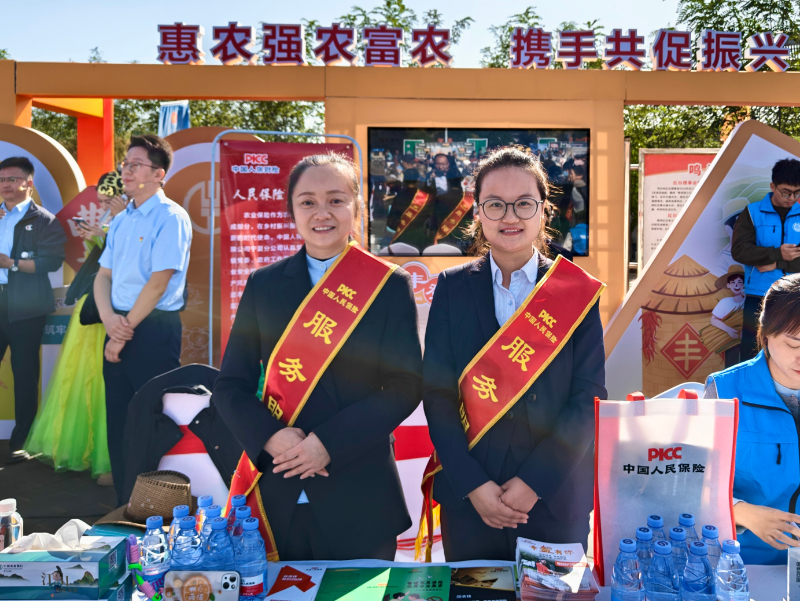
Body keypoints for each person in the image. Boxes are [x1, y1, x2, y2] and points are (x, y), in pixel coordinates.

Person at [214, 153, 422, 560]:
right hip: (279, 487)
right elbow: (230, 386)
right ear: (291, 211)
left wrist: (329, 443)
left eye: (336, 200)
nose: (322, 213)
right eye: (307, 201)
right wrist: (271, 438)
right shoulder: (264, 285)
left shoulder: (387, 285)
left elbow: (405, 385)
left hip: (359, 491)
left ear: (357, 207)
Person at [421, 147, 606, 561]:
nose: (510, 216)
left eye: (524, 203)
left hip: (553, 497)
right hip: (471, 501)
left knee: (552, 593)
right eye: (495, 204)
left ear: (544, 210)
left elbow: (588, 397)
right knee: (474, 590)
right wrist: (473, 485)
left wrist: (534, 483)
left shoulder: (576, 291)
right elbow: (437, 394)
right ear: (477, 213)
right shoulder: (451, 288)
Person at [94, 135, 192, 503]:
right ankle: (124, 503)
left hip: (153, 329)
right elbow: (103, 276)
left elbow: (158, 282)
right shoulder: (121, 220)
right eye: (125, 164)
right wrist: (110, 321)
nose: (126, 171)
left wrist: (122, 332)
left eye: (135, 165)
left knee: (152, 422)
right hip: (118, 324)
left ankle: (156, 510)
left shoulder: (171, 217)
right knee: (119, 422)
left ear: (159, 174)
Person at [24, 172, 126, 481]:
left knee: (104, 382)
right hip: (93, 306)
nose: (104, 205)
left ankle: (109, 458)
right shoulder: (114, 218)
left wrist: (107, 233)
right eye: (102, 200)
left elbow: (129, 260)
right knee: (80, 377)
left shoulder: (135, 218)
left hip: (116, 307)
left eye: (109, 200)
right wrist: (98, 236)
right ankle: (82, 450)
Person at [704, 273, 800, 565]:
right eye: (794, 344)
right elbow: (693, 479)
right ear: (766, 333)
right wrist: (742, 512)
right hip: (742, 562)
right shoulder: (725, 391)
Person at [0, 157, 66, 464]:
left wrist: (11, 263)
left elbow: (51, 262)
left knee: (25, 376)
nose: (5, 185)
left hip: (26, 309)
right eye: (2, 180)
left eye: (12, 179)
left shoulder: (44, 220)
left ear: (28, 182)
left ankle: (21, 442)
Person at [731, 158, 800, 361]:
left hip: (796, 294)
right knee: (753, 350)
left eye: (797, 193)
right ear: (772, 186)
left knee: (793, 351)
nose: (792, 198)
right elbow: (740, 250)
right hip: (759, 294)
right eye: (786, 192)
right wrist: (777, 253)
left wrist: (777, 263)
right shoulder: (752, 213)